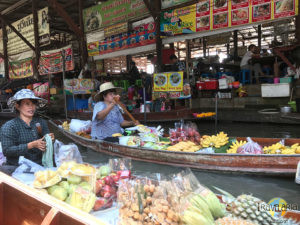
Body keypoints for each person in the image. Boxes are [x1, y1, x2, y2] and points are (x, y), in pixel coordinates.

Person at [0, 89, 54, 173]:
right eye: (27, 104)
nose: (31, 107)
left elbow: (47, 143)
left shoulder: (41, 122)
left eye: (33, 104)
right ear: (17, 106)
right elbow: (7, 151)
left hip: (39, 166)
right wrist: (30, 145)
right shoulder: (10, 126)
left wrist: (50, 140)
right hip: (17, 168)